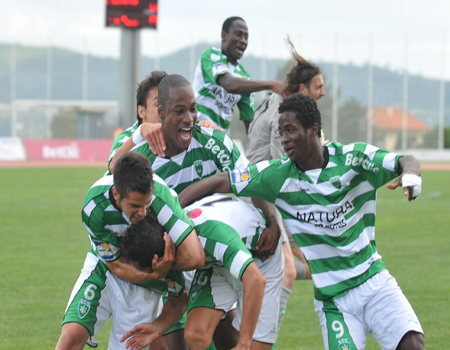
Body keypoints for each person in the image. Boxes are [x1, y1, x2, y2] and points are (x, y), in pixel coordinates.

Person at [178, 94, 426, 350]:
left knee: (413, 345)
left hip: (374, 284)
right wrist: (174, 215)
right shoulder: (279, 175)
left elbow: (405, 161)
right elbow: (220, 181)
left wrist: (410, 175)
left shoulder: (354, 159)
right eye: (281, 131)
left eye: (291, 130)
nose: (284, 139)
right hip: (334, 302)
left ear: (313, 130)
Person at [109, 73, 282, 350]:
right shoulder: (141, 148)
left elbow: (252, 182)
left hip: (211, 243)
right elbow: (114, 168)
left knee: (220, 331)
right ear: (160, 113)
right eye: (179, 111)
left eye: (192, 109)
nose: (189, 118)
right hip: (173, 252)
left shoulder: (215, 142)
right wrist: (139, 133)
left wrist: (273, 221)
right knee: (189, 337)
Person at [55, 152, 205, 350]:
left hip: (148, 285)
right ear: (116, 194)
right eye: (135, 205)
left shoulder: (162, 201)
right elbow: (115, 265)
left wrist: (160, 267)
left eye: (147, 204)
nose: (143, 213)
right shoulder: (93, 207)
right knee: (69, 340)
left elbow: (195, 257)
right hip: (105, 266)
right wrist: (153, 270)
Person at [121, 194, 284, 350]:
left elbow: (256, 280)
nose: (154, 275)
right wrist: (156, 328)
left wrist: (243, 343)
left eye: (152, 271)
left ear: (161, 256)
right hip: (217, 264)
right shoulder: (165, 249)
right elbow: (177, 301)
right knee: (196, 334)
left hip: (261, 261)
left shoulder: (209, 234)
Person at [244, 35, 325, 342]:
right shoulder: (286, 114)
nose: (324, 92)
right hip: (264, 197)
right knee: (289, 271)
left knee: (309, 262)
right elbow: (285, 166)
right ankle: (261, 340)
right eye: (318, 87)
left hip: (259, 192)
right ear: (303, 89)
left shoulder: (276, 104)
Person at [192, 16, 289, 133]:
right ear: (224, 36)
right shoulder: (211, 55)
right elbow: (229, 84)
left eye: (246, 37)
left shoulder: (245, 78)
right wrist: (270, 84)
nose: (243, 40)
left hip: (218, 139)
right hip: (196, 129)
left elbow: (251, 126)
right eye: (238, 35)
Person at [117, 216, 189, 349]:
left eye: (142, 270)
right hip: (163, 290)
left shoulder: (181, 261)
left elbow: (179, 300)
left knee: (196, 335)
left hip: (198, 278)